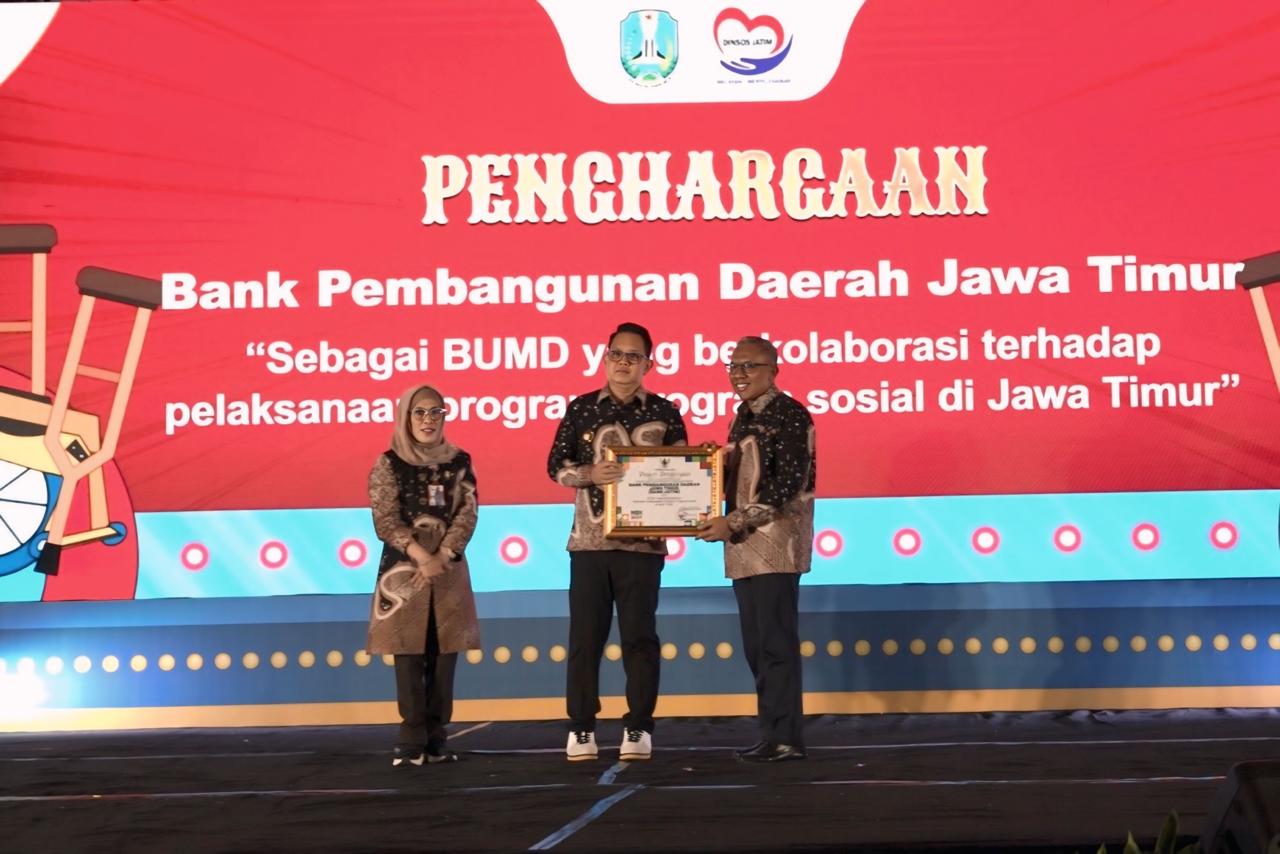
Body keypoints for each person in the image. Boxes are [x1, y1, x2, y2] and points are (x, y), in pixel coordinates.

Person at [547, 322, 688, 761]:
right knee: (585, 641)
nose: (623, 362)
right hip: (589, 545)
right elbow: (556, 466)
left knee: (639, 640)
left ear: (649, 363)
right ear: (605, 358)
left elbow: (685, 473)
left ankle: (639, 727)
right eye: (616, 354)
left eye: (633, 356)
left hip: (643, 547)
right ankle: (581, 728)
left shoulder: (665, 412)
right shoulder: (581, 408)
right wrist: (589, 474)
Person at [696, 336, 815, 763]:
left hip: (776, 544)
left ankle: (787, 738)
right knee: (756, 646)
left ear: (774, 370)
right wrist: (712, 467)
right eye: (733, 366)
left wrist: (732, 522)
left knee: (776, 645)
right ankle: (772, 733)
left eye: (749, 366)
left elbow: (786, 486)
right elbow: (742, 479)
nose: (739, 374)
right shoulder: (742, 417)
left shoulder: (790, 414)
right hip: (743, 547)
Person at [366, 383, 481, 768]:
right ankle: (411, 739)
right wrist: (420, 556)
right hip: (404, 574)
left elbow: (467, 512)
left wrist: (443, 554)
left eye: (436, 412)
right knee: (409, 655)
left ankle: (436, 739)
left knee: (444, 657)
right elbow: (385, 519)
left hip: (448, 571)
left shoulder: (459, 461)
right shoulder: (388, 463)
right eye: (420, 412)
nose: (428, 419)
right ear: (406, 417)